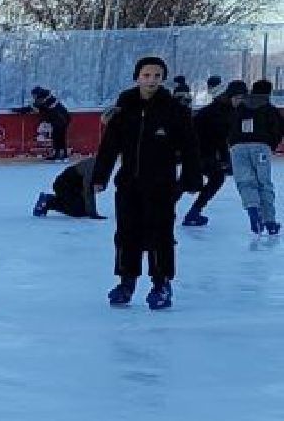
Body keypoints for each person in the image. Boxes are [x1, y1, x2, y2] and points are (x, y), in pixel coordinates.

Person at [92, 56, 200, 310]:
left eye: (157, 76)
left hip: (162, 185)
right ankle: (126, 281)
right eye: (146, 75)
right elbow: (109, 147)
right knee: (127, 233)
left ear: (163, 79)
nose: (151, 81)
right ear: (137, 77)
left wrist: (191, 178)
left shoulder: (174, 110)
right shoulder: (124, 109)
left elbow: (190, 147)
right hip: (129, 184)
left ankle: (161, 283)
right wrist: (100, 176)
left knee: (160, 234)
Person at [227, 78, 283, 237]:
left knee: (245, 182)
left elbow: (229, 126)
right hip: (261, 148)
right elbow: (278, 129)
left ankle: (253, 210)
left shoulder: (239, 107)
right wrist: (270, 145)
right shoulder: (269, 108)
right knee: (264, 183)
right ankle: (270, 222)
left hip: (237, 148)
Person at [185, 80, 241, 227]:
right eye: (238, 98)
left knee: (212, 179)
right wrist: (225, 160)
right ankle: (186, 212)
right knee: (205, 179)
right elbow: (220, 138)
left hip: (203, 151)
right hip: (198, 150)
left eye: (242, 98)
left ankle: (193, 212)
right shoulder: (220, 111)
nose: (239, 101)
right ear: (230, 96)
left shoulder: (226, 109)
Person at [33, 156, 105, 220]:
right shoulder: (93, 166)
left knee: (83, 211)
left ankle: (57, 201)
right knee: (77, 211)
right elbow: (88, 190)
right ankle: (48, 201)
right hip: (63, 185)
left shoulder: (102, 165)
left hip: (75, 187)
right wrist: (93, 213)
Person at [18, 86, 74, 162]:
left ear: (38, 94)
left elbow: (34, 108)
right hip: (61, 119)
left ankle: (60, 155)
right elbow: (34, 108)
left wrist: (21, 110)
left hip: (61, 119)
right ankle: (61, 155)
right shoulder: (47, 98)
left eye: (34, 95)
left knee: (58, 136)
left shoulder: (46, 100)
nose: (33, 97)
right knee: (59, 137)